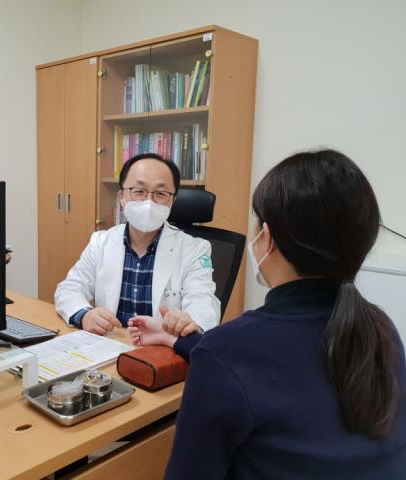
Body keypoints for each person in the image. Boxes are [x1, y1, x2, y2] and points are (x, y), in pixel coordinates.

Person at [129, 149, 406, 479]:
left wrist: (205, 348)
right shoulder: (380, 327)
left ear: (267, 237)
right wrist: (176, 340)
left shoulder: (227, 352)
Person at [54, 153, 220, 336]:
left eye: (160, 193)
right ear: (122, 197)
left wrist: (189, 321)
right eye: (139, 191)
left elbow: (204, 302)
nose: (149, 202)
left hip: (161, 348)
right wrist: (84, 315)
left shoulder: (195, 249)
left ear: (172, 201)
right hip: (110, 343)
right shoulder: (101, 242)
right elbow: (69, 288)